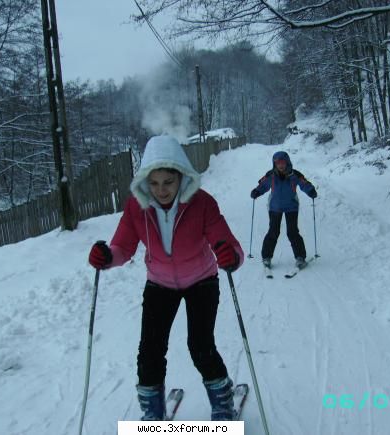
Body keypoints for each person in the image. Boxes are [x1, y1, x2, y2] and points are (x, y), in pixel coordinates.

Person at [88, 135, 244, 421]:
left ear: (181, 177)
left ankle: (223, 404)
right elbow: (122, 246)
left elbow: (228, 243)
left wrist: (230, 256)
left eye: (168, 182)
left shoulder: (202, 203)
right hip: (159, 283)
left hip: (201, 280)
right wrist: (108, 257)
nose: (161, 190)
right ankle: (153, 413)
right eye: (155, 183)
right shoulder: (137, 206)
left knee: (200, 346)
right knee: (149, 349)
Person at [250, 150, 317, 269]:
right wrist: (256, 192)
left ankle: (300, 257)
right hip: (275, 207)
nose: (280, 165)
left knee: (292, 232)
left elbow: (304, 183)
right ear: (274, 164)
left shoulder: (294, 175)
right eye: (277, 163)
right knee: (273, 231)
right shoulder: (271, 175)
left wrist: (310, 190)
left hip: (291, 207)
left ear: (287, 162)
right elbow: (263, 185)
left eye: (282, 162)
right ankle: (266, 257)